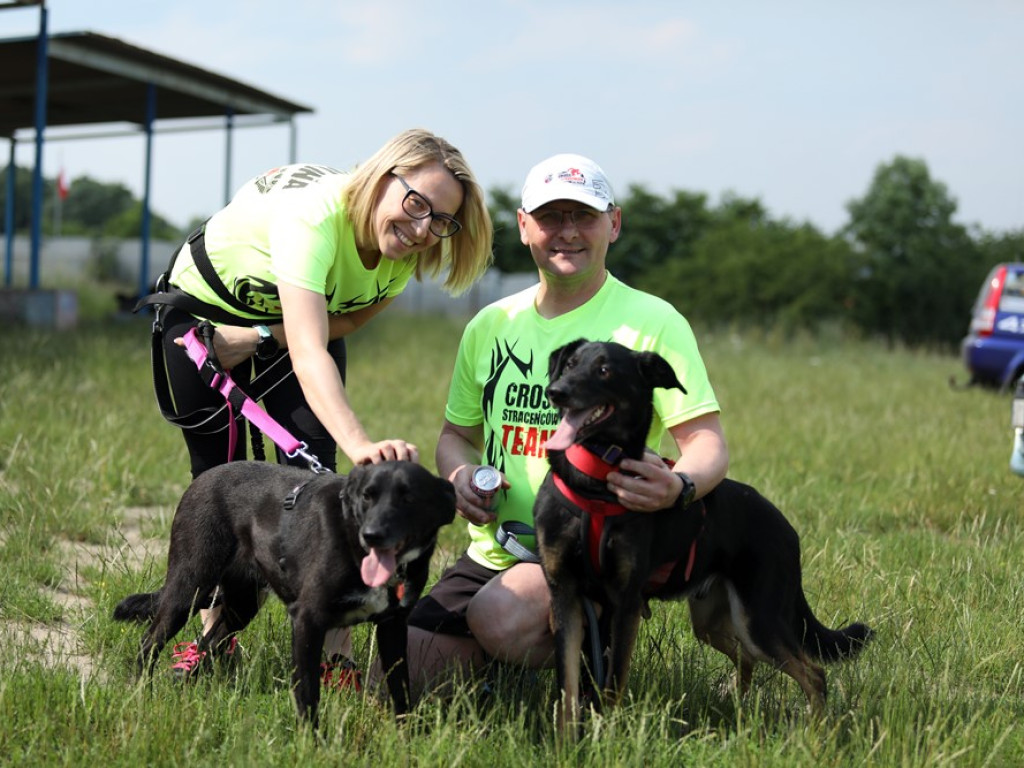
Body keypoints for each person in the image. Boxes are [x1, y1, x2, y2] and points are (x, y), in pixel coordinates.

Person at [141, 128, 493, 683]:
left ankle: (336, 657)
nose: (424, 229)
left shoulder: (400, 252)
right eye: (416, 204)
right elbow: (309, 350)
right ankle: (214, 643)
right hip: (203, 317)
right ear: (382, 178)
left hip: (279, 326)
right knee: (221, 484)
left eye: (442, 221)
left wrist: (259, 334)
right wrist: (364, 447)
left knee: (317, 481)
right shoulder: (315, 218)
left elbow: (341, 323)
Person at [401, 153, 729, 695]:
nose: (568, 232)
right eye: (552, 217)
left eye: (585, 216)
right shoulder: (491, 324)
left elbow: (706, 442)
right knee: (400, 681)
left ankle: (592, 649)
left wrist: (679, 486)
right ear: (524, 225)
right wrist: (460, 476)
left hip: (594, 547)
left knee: (499, 620)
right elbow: (455, 438)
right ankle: (498, 674)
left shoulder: (653, 320)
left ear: (614, 224)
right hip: (497, 548)